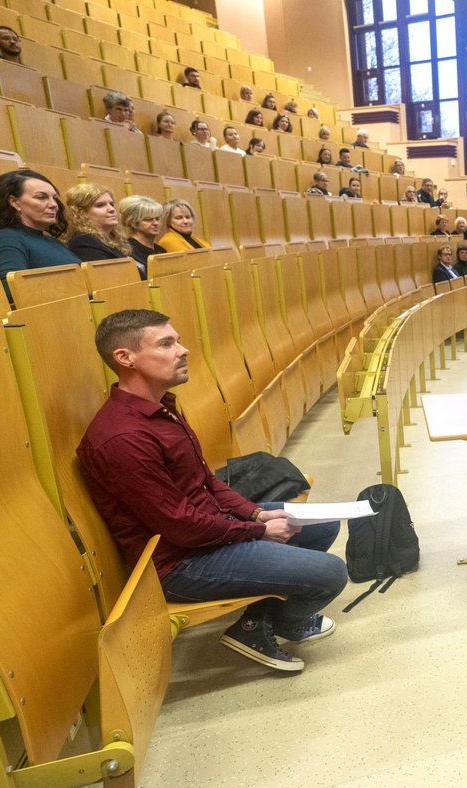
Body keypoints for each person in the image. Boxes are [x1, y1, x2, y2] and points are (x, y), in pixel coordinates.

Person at [78, 309, 347, 671]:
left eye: (177, 340)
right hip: (182, 564)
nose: (183, 350)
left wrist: (257, 513)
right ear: (125, 358)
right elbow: (180, 526)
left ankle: (256, 624)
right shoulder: (124, 437)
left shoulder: (162, 408)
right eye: (166, 344)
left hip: (206, 533)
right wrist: (259, 531)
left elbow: (207, 481)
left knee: (322, 524)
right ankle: (280, 622)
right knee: (332, 573)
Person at [0, 169, 79, 300]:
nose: (54, 205)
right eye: (41, 197)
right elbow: (11, 291)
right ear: (14, 202)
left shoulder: (53, 241)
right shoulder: (8, 238)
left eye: (54, 198)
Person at [63, 183, 131, 262]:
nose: (111, 209)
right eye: (100, 205)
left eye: (111, 204)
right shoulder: (85, 242)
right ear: (81, 212)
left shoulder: (111, 238)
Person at [118, 195, 165, 278]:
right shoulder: (126, 251)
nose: (155, 223)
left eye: (157, 219)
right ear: (133, 223)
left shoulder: (161, 250)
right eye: (148, 219)